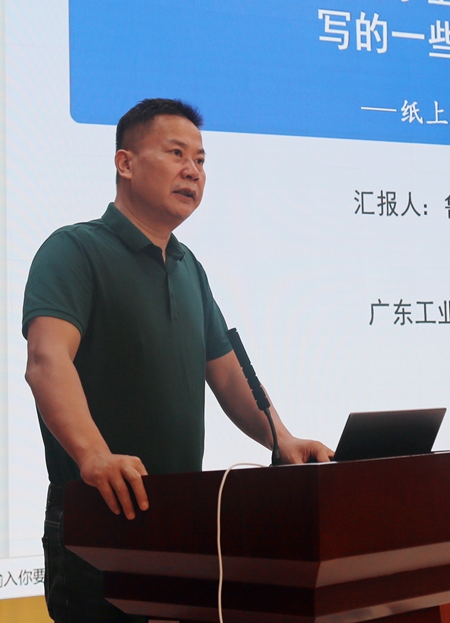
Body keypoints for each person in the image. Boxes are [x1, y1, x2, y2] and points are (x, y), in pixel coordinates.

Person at [24, 98, 333, 622]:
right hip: (99, 517)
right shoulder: (74, 250)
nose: (193, 170)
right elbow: (47, 359)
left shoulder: (190, 267)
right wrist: (95, 456)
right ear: (125, 163)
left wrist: (280, 438)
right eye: (176, 153)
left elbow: (228, 372)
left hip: (181, 520)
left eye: (201, 160)